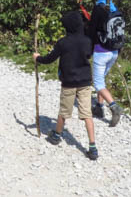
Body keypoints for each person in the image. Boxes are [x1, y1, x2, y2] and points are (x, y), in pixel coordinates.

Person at [33, 10, 98, 161]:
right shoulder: (87, 41)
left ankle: (56, 135)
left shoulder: (63, 42)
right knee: (87, 113)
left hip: (68, 82)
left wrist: (38, 58)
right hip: (85, 82)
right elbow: (88, 55)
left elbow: (50, 58)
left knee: (64, 111)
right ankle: (92, 146)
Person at [87, 0, 124, 126]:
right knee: (101, 78)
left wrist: (88, 50)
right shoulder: (113, 8)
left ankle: (114, 107)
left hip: (101, 51)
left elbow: (91, 31)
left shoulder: (98, 8)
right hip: (114, 51)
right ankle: (99, 107)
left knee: (97, 83)